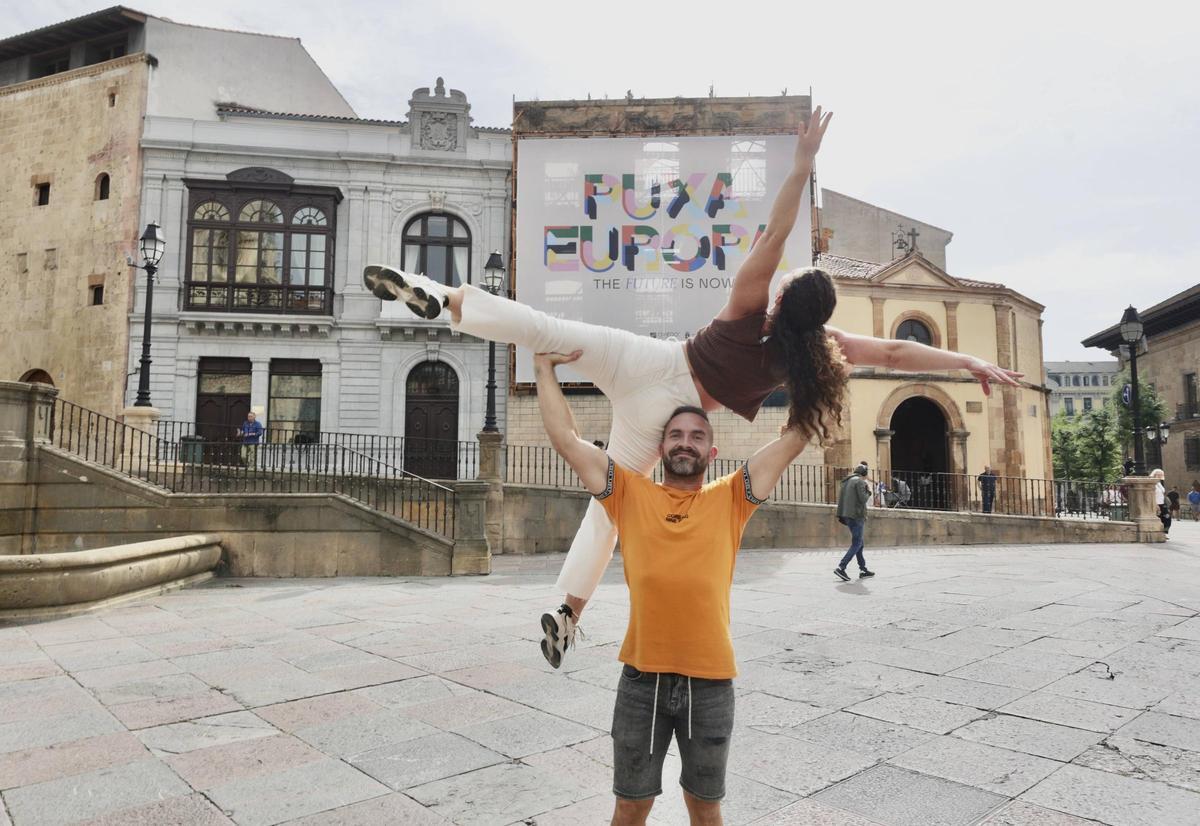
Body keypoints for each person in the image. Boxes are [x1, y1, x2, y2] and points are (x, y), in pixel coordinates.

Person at [364, 108, 1022, 667]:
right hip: (664, 412)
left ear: (787, 294)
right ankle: (566, 612)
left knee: (543, 326)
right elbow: (898, 350)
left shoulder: (746, 303)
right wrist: (971, 365)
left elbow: (778, 221)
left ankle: (443, 298)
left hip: (645, 360)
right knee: (610, 507)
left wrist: (800, 162)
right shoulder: (814, 356)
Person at [531, 348, 806, 826]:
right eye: (676, 435)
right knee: (630, 806)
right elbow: (566, 440)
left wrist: (806, 365)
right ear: (661, 449)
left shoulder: (732, 498)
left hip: (711, 681)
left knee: (705, 810)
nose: (685, 443)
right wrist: (542, 367)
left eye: (697, 436)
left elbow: (797, 436)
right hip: (642, 680)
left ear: (711, 452)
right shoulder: (629, 494)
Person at [835, 463, 874, 580]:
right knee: (857, 543)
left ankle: (863, 569)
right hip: (856, 516)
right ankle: (841, 568)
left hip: (846, 515)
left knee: (859, 543)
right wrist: (868, 491)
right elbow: (863, 499)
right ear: (864, 473)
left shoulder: (847, 481)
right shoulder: (860, 482)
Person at [1150, 468, 1170, 535]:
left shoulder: (1159, 483)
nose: (1160, 476)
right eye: (1158, 474)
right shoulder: (1152, 483)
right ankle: (1160, 533)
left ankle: (1164, 532)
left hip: (1162, 503)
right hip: (1157, 504)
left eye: (1161, 474)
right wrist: (1156, 504)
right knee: (1160, 519)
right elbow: (1152, 495)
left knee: (1167, 518)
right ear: (1154, 474)